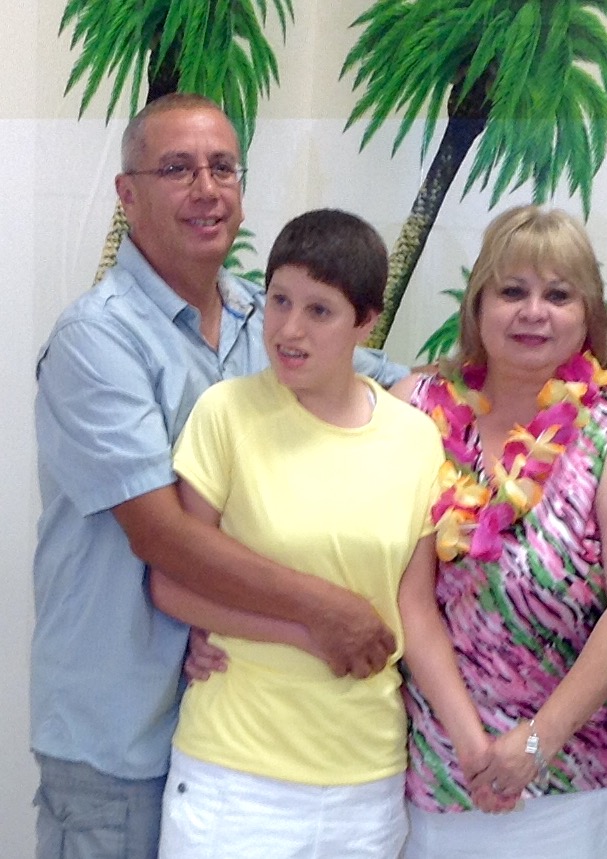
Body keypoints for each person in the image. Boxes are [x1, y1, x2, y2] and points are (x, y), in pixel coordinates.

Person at [31, 95, 405, 859]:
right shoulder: (96, 341)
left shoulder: (259, 322)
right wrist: (325, 611)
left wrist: (565, 390)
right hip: (120, 737)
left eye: (222, 167)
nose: (207, 187)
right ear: (127, 195)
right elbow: (162, 534)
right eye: (177, 168)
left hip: (227, 735)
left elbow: (398, 386)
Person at [147, 209, 490, 857]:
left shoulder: (414, 436)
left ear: (367, 320)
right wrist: (308, 631)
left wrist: (472, 742)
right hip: (235, 774)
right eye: (279, 300)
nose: (290, 329)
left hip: (366, 781)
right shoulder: (226, 412)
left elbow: (412, 609)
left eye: (319, 310)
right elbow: (173, 582)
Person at [386, 204, 607, 858]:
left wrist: (533, 743)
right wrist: (469, 742)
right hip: (441, 766)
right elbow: (407, 590)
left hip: (576, 775)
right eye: (512, 290)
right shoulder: (415, 407)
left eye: (558, 294)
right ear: (478, 305)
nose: (533, 311)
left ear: (589, 314)